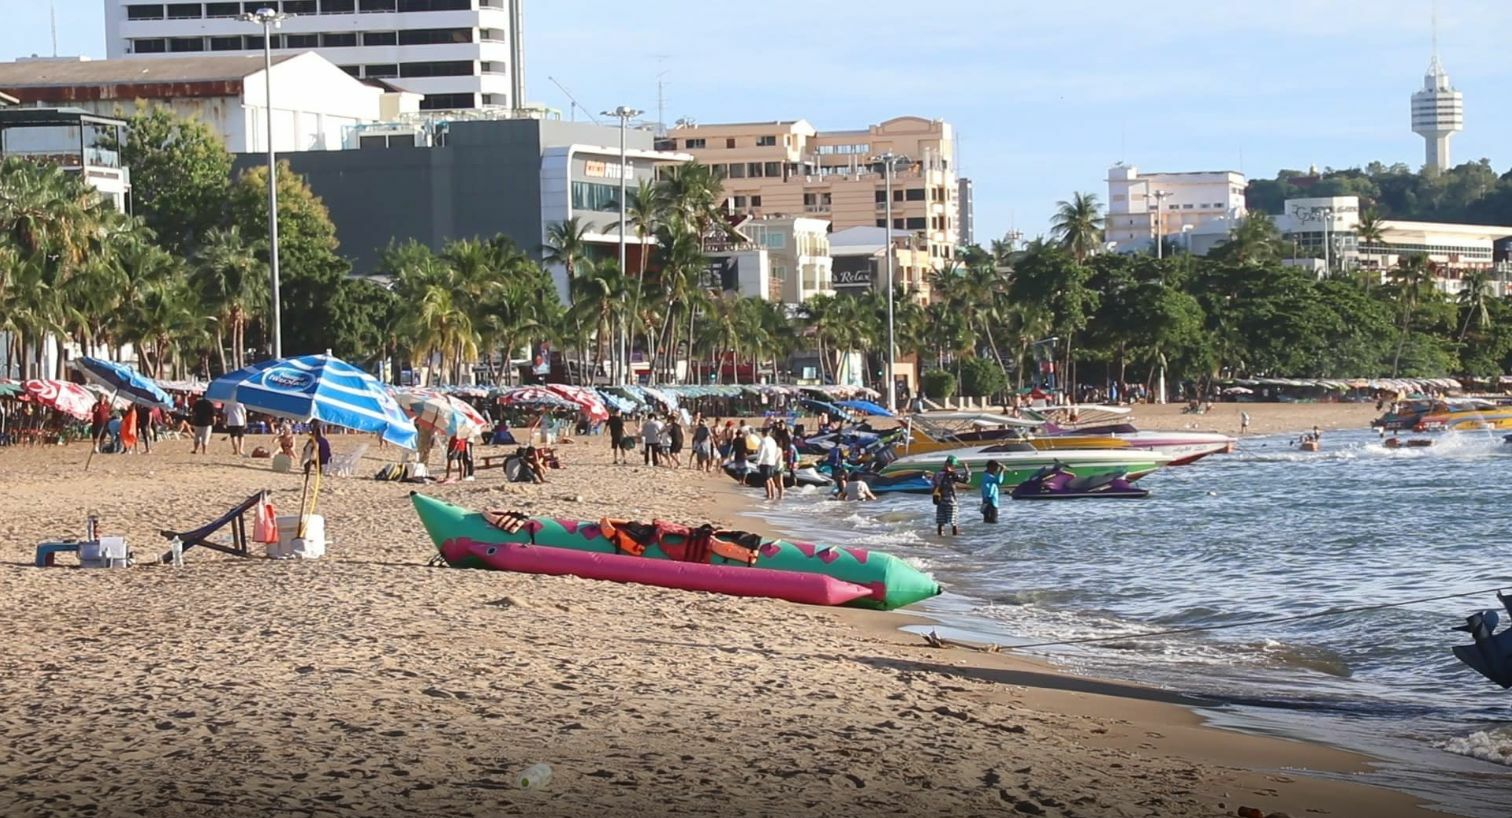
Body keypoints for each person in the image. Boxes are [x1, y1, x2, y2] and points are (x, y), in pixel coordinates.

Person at [931, 455, 971, 536]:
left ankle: (940, 539)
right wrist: (967, 469)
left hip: (940, 502)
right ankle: (954, 541)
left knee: (940, 523)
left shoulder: (937, 474)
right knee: (954, 524)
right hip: (951, 502)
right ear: (952, 465)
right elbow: (966, 480)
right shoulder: (953, 474)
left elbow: (933, 487)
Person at [755, 426, 782, 501]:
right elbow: (774, 451)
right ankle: (773, 494)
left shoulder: (763, 441)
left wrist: (758, 462)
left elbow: (761, 452)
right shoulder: (772, 441)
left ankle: (769, 494)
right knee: (770, 478)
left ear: (763, 433)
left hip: (765, 462)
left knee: (766, 479)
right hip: (771, 462)